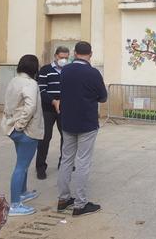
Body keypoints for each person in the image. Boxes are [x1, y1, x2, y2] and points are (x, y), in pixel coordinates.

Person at [57, 41, 107, 217]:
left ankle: (63, 199)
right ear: (90, 54)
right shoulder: (93, 73)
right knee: (83, 161)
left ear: (75, 53)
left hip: (67, 121)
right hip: (86, 123)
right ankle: (80, 204)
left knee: (66, 160)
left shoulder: (65, 70)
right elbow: (103, 97)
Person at [1, 54, 44, 216]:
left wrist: (15, 125)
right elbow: (30, 106)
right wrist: (21, 125)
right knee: (21, 166)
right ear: (34, 68)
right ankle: (15, 204)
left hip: (12, 128)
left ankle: (23, 192)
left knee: (23, 163)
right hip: (26, 131)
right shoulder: (30, 83)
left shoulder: (14, 80)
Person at [35, 46, 70, 180]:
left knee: (66, 137)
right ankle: (40, 167)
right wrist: (53, 101)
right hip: (48, 109)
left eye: (66, 57)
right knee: (45, 138)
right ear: (55, 56)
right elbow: (41, 90)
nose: (64, 60)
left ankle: (64, 163)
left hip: (64, 109)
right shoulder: (45, 70)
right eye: (62, 57)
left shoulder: (68, 70)